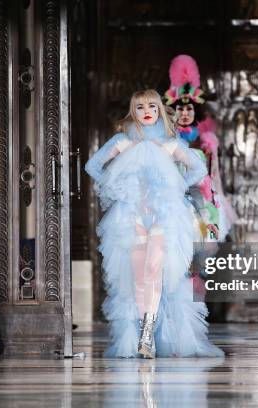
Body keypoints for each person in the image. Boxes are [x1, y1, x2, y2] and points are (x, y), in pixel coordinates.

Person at [85, 90, 223, 359]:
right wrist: (117, 189)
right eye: (139, 107)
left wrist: (177, 187)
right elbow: (93, 166)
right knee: (139, 276)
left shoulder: (171, 145)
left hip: (165, 217)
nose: (146, 111)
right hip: (132, 217)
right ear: (132, 111)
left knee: (154, 271)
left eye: (152, 106)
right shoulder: (123, 142)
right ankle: (143, 334)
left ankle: (147, 335)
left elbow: (198, 170)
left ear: (159, 109)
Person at [164, 54, 237, 243]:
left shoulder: (206, 141)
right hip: (173, 203)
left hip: (202, 202)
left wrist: (216, 207)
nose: (185, 113)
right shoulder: (165, 140)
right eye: (180, 109)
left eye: (190, 109)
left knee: (204, 252)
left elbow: (214, 181)